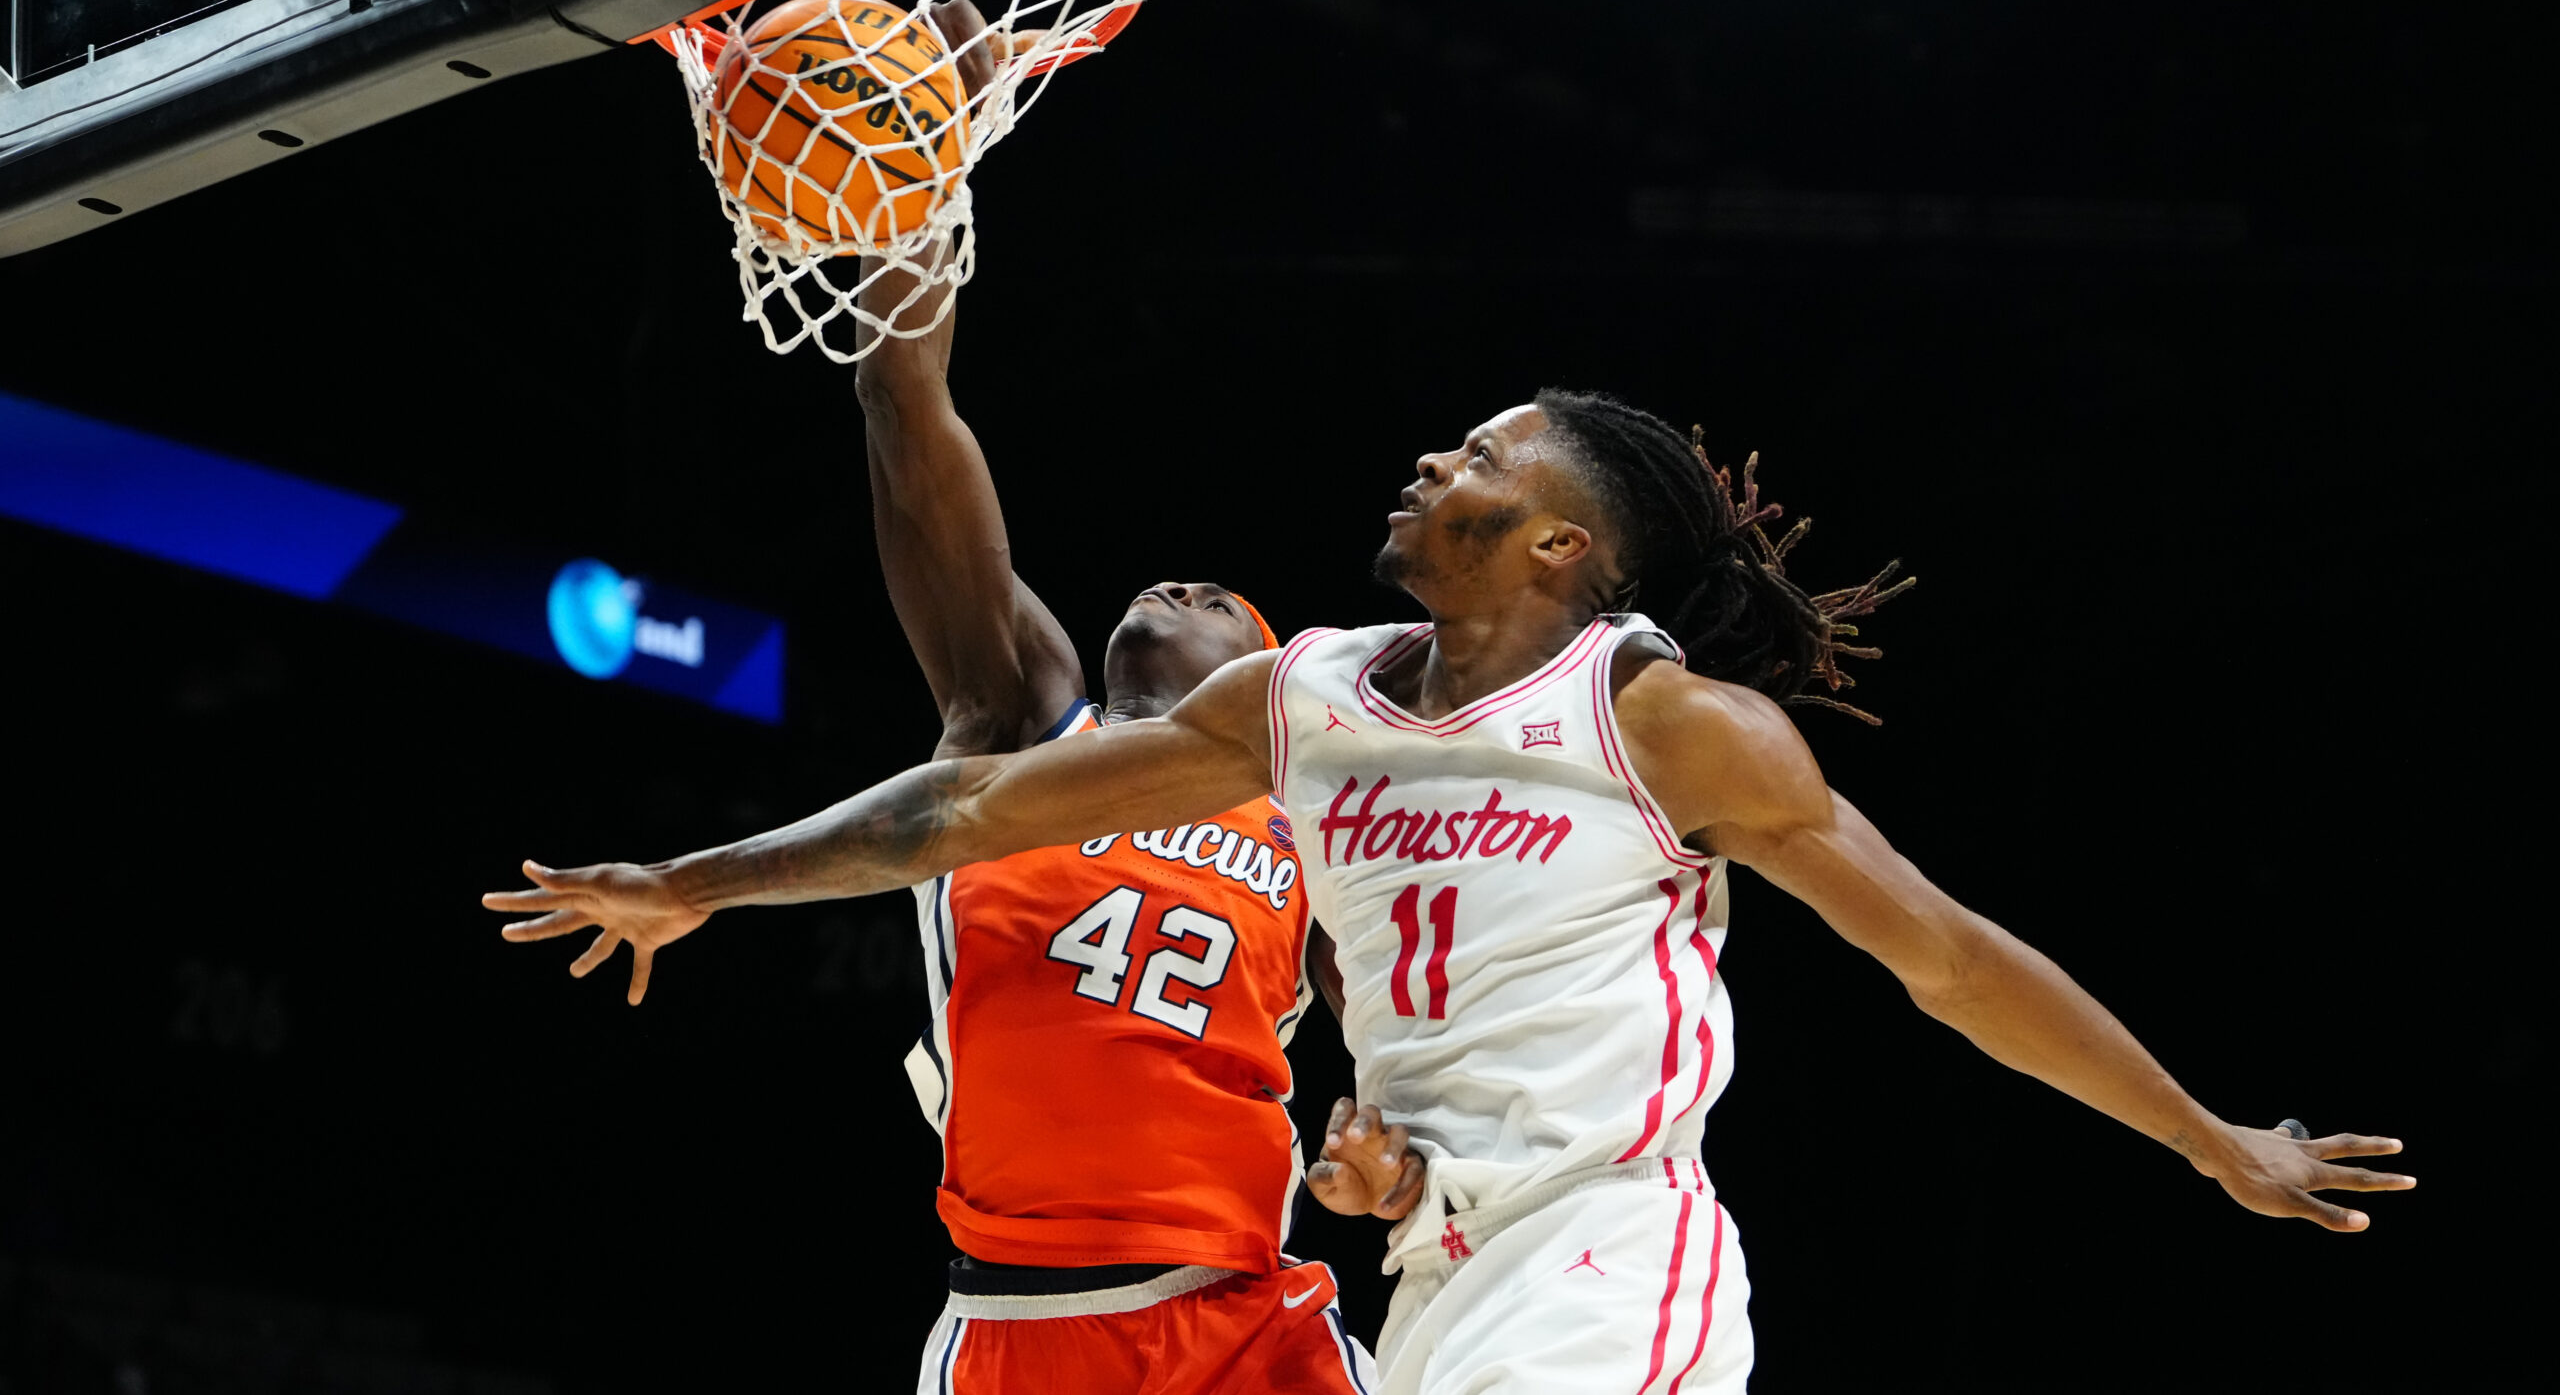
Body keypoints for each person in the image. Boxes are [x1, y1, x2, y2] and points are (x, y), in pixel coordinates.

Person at [487, 391, 2410, 1394]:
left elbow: (1947, 959)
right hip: (1433, 1267)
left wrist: (2203, 1139)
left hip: (1611, 1243)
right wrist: (700, 883)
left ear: (1561, 541)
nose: (1434, 456)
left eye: (1482, 455)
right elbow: (973, 802)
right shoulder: (1302, 698)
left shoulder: (1670, 723)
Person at [499, 0, 1380, 1395]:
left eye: (1222, 602)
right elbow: (909, 403)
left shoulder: (1306, 819)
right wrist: (923, 171)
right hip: (1024, 1327)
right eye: (1173, 586)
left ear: (1264, 685)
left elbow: (1407, 1022)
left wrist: (1386, 1136)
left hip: (1246, 1314)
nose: (1177, 587)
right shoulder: (1026, 713)